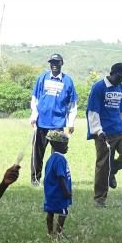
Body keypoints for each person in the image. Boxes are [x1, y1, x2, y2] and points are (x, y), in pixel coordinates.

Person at [86, 62, 122, 208]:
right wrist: (98, 131)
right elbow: (93, 110)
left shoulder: (121, 88)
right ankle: (99, 200)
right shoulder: (99, 87)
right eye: (120, 76)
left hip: (120, 130)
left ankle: (112, 170)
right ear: (112, 73)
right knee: (102, 165)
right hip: (104, 133)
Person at [29, 53, 78, 186]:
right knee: (37, 153)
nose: (54, 65)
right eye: (52, 63)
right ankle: (35, 179)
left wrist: (71, 123)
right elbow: (35, 99)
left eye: (57, 63)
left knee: (56, 155)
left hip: (57, 124)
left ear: (62, 63)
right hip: (41, 123)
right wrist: (34, 116)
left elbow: (72, 105)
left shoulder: (67, 81)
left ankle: (53, 179)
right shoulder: (42, 78)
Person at [42, 130, 72, 240]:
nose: (67, 147)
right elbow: (61, 176)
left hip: (50, 192)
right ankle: (59, 233)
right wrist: (66, 191)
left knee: (50, 212)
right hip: (59, 192)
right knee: (63, 212)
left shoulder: (51, 158)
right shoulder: (60, 159)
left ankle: (50, 233)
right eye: (65, 145)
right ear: (57, 145)